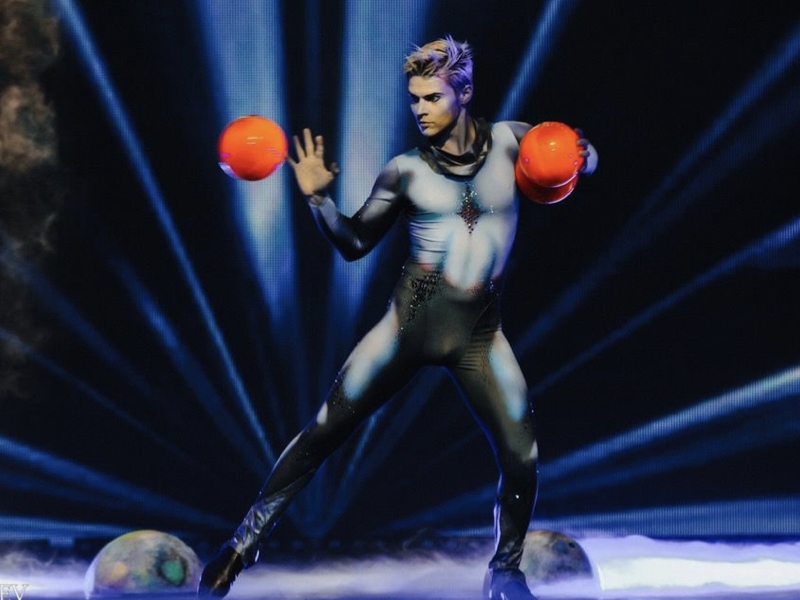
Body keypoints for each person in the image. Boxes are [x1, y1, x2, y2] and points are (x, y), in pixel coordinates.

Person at [198, 35, 596, 600]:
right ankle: (240, 548)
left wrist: (582, 153)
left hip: (478, 335)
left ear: (464, 92)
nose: (420, 109)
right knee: (323, 432)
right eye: (414, 99)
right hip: (407, 328)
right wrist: (318, 201)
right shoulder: (405, 171)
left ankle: (505, 570)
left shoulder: (513, 142)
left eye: (432, 97)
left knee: (522, 455)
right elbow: (355, 242)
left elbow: (579, 158)